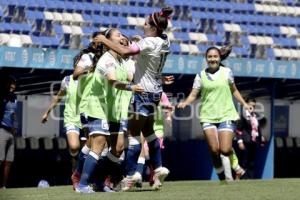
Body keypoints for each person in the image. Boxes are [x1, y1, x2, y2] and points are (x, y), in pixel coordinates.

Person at [94, 7, 174, 191]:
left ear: (153, 28)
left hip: (142, 92)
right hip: (155, 93)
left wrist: (105, 40)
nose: (143, 25)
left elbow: (124, 52)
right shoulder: (165, 40)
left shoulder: (147, 42)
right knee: (149, 131)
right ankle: (159, 167)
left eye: (146, 23)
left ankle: (131, 174)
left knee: (133, 135)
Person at [75, 28, 143, 193]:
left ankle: (99, 182)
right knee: (98, 145)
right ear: (109, 41)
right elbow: (112, 81)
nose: (122, 36)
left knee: (118, 148)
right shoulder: (107, 60)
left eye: (122, 34)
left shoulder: (120, 59)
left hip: (113, 110)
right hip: (99, 108)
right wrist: (130, 87)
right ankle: (82, 184)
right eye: (118, 35)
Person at [177, 46, 252, 181]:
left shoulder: (227, 72)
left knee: (225, 149)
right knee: (214, 150)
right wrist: (185, 102)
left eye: (215, 56)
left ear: (219, 58)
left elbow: (234, 90)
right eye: (210, 57)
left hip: (226, 114)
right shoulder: (200, 75)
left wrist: (244, 104)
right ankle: (221, 175)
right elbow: (194, 94)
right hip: (207, 116)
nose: (212, 59)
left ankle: (236, 169)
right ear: (206, 59)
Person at [235, 97, 266, 179]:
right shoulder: (242, 115)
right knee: (243, 161)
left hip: (253, 141)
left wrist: (260, 136)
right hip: (245, 141)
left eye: (254, 106)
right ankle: (241, 178)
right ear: (246, 104)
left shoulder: (255, 116)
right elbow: (238, 129)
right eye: (250, 105)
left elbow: (257, 128)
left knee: (251, 161)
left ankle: (250, 178)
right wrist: (240, 141)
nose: (252, 107)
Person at [0, 76, 17, 189]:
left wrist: (15, 126)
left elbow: (14, 114)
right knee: (0, 159)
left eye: (14, 84)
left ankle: (3, 186)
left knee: (9, 161)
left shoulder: (15, 97)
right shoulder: (2, 96)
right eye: (10, 83)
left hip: (11, 132)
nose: (12, 86)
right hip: (2, 130)